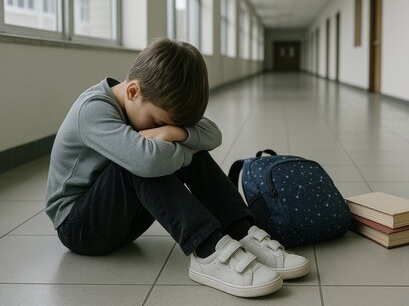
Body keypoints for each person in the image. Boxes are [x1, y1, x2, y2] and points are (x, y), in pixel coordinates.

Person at [45, 38, 309, 298]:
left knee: (173, 148)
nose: (156, 127)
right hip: (79, 227)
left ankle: (240, 231)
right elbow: (147, 161)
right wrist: (183, 147)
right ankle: (207, 251)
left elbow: (212, 134)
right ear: (133, 92)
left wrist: (174, 132)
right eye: (157, 120)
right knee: (142, 161)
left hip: (119, 220)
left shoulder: (148, 98)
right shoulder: (93, 110)